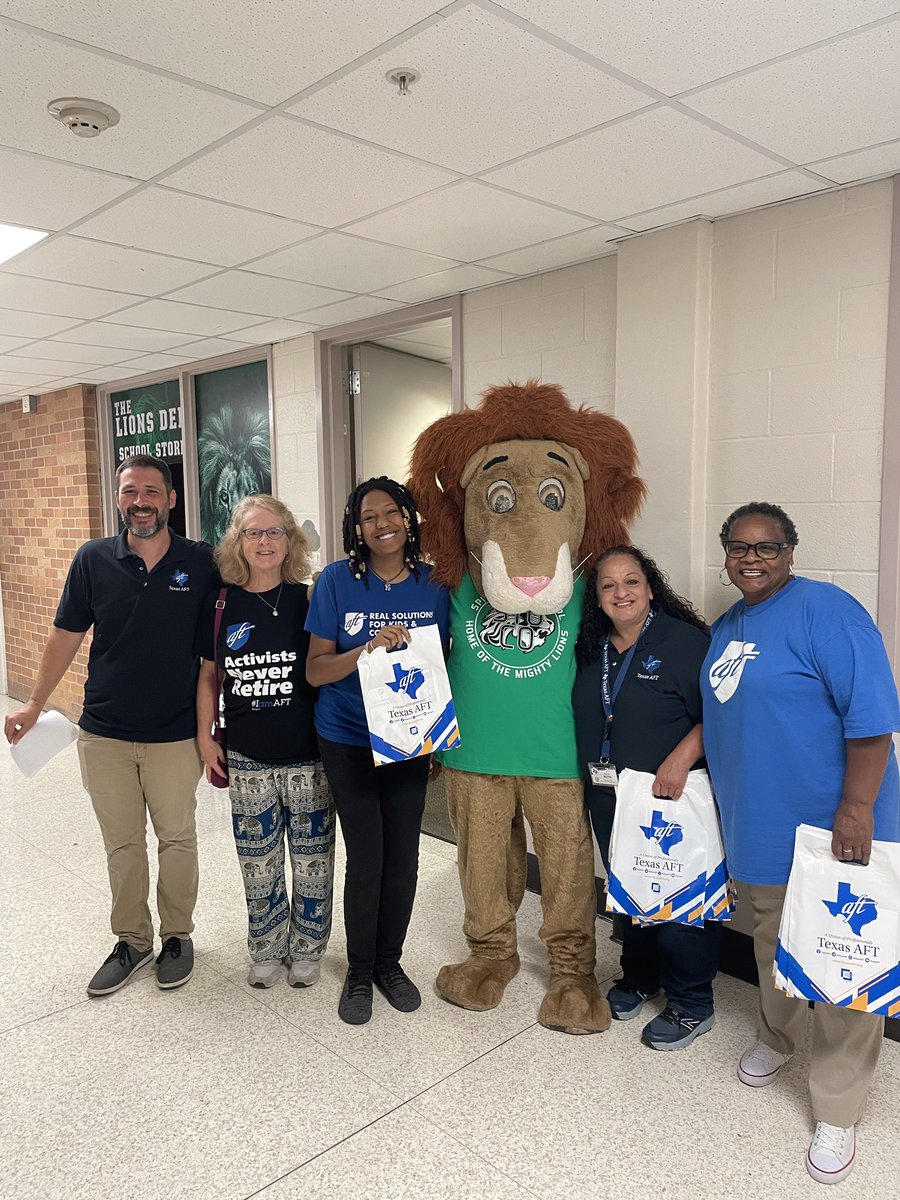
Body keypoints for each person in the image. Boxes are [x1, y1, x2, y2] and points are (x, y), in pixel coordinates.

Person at [702, 501, 900, 1186]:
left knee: (843, 965)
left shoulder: (829, 612)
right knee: (770, 943)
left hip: (831, 829)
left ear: (790, 551)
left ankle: (838, 1108)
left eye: (768, 546)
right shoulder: (727, 628)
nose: (751, 557)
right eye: (739, 546)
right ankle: (778, 1036)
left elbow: (871, 720)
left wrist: (856, 807)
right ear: (725, 553)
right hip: (759, 830)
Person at [4, 454, 218, 995]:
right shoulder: (94, 559)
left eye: (151, 491)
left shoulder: (202, 562)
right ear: (118, 497)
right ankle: (132, 941)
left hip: (173, 735)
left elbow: (214, 656)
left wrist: (207, 729)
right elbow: (65, 635)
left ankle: (177, 936)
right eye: (129, 491)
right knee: (122, 844)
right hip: (104, 733)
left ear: (172, 499)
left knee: (177, 839)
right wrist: (34, 703)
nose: (140, 501)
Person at [305, 476, 450, 1025]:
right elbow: (317, 670)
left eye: (392, 512)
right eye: (369, 517)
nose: (382, 523)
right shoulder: (337, 582)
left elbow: (446, 665)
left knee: (404, 857)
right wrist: (365, 649)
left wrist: (437, 737)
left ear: (408, 519)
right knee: (368, 857)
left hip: (411, 738)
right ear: (356, 528)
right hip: (346, 735)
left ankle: (391, 963)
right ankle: (360, 971)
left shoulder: (435, 584)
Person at [573, 546, 721, 1050]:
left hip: (671, 797)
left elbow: (719, 714)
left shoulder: (684, 643)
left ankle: (691, 1002)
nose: (622, 593)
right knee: (628, 887)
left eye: (631, 581)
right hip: (613, 796)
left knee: (679, 895)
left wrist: (681, 757)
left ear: (650, 586)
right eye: (609, 586)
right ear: (597, 598)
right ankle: (640, 977)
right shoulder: (592, 646)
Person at [196, 495, 334, 990]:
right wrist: (205, 737)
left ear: (291, 539)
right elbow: (210, 677)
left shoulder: (311, 598)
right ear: (237, 542)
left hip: (309, 755)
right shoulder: (220, 603)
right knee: (258, 862)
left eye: (274, 531)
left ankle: (308, 948)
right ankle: (265, 947)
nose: (264, 541)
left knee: (312, 858)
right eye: (253, 533)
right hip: (247, 756)